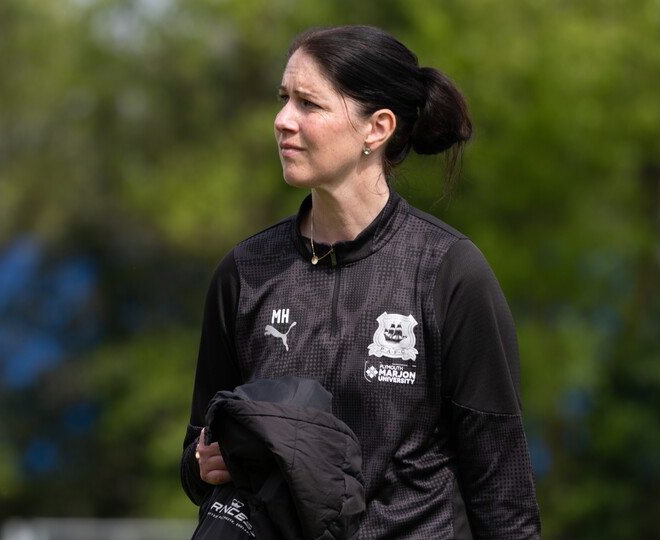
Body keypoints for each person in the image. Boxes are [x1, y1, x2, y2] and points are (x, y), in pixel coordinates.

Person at [180, 25, 541, 539]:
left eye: (309, 104)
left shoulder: (450, 273)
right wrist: (205, 464)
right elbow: (198, 457)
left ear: (378, 128)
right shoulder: (243, 272)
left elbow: (504, 501)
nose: (282, 121)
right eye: (284, 100)